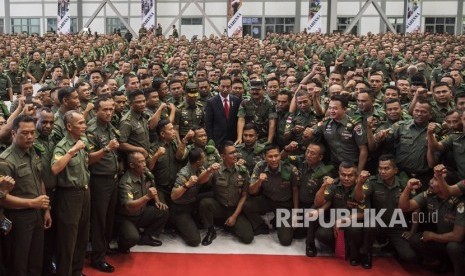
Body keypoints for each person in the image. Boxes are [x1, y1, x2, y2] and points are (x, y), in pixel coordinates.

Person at [0, 115, 51, 276]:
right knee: (18, 263)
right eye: (24, 133)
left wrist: (46, 209)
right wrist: (32, 203)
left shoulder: (33, 152)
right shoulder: (5, 161)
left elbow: (39, 180)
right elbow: (2, 199)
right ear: (14, 134)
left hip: (37, 214)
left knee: (35, 261)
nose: (29, 137)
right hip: (18, 218)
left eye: (32, 132)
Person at [399, 164, 465, 275]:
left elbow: (457, 236)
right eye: (433, 177)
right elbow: (404, 207)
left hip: (459, 243)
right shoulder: (429, 195)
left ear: (446, 185)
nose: (430, 181)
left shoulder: (460, 202)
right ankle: (443, 262)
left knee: (453, 247)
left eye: (436, 179)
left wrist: (432, 236)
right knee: (416, 239)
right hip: (443, 239)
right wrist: (408, 188)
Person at [354, 154, 418, 263]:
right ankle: (366, 253)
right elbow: (359, 198)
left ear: (395, 170)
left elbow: (417, 207)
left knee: (410, 257)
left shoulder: (404, 184)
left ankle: (393, 248)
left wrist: (412, 231)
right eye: (380, 168)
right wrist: (360, 182)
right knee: (370, 225)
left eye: (386, 168)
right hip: (378, 223)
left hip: (397, 227)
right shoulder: (373, 182)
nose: (382, 171)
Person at [51, 110, 90, 276]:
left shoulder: (81, 141)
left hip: (84, 192)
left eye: (84, 122)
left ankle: (76, 271)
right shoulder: (63, 146)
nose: (84, 125)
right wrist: (72, 150)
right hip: (69, 196)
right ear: (68, 126)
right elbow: (55, 168)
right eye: (80, 123)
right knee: (68, 240)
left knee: (82, 236)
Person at [87, 96, 120, 272]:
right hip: (99, 180)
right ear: (95, 111)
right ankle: (97, 257)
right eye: (105, 110)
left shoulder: (109, 125)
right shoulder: (91, 130)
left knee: (108, 218)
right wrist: (106, 149)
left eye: (111, 109)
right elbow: (88, 159)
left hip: (112, 178)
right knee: (99, 219)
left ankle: (104, 248)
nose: (109, 112)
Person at [198, 141, 254, 245]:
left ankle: (228, 224)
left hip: (235, 209)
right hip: (219, 206)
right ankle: (211, 230)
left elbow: (244, 195)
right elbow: (200, 181)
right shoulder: (216, 169)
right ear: (223, 156)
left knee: (248, 238)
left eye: (235, 152)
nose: (235, 155)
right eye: (231, 153)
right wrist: (209, 171)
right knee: (205, 203)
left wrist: (234, 217)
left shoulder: (242, 170)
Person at [243, 144, 299, 246]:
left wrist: (296, 212)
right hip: (267, 200)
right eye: (270, 156)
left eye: (276, 156)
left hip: (284, 205)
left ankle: (277, 221)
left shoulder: (290, 169)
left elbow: (295, 190)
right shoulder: (260, 166)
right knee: (246, 205)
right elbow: (251, 191)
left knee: (285, 241)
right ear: (264, 157)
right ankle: (261, 226)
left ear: (280, 156)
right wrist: (259, 181)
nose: (274, 159)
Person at [116, 151, 169, 253]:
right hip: (127, 218)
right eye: (140, 162)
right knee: (132, 238)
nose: (144, 164)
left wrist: (157, 200)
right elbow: (129, 206)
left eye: (144, 161)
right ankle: (121, 245)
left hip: (141, 213)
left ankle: (146, 237)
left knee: (163, 210)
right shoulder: (126, 182)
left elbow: (152, 186)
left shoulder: (145, 173)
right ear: (132, 165)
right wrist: (147, 197)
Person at [170, 148, 220, 246]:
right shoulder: (184, 173)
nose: (205, 159)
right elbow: (173, 196)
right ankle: (175, 224)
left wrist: (209, 170)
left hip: (192, 202)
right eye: (204, 158)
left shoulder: (198, 167)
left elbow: (200, 180)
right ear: (198, 161)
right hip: (180, 208)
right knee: (194, 241)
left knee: (214, 194)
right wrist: (187, 185)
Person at [205, 76, 241, 146]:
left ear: (231, 87)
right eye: (223, 86)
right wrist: (211, 141)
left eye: (228, 87)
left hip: (233, 140)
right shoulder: (211, 102)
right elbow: (208, 125)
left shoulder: (236, 100)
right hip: (218, 140)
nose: (225, 89)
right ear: (218, 86)